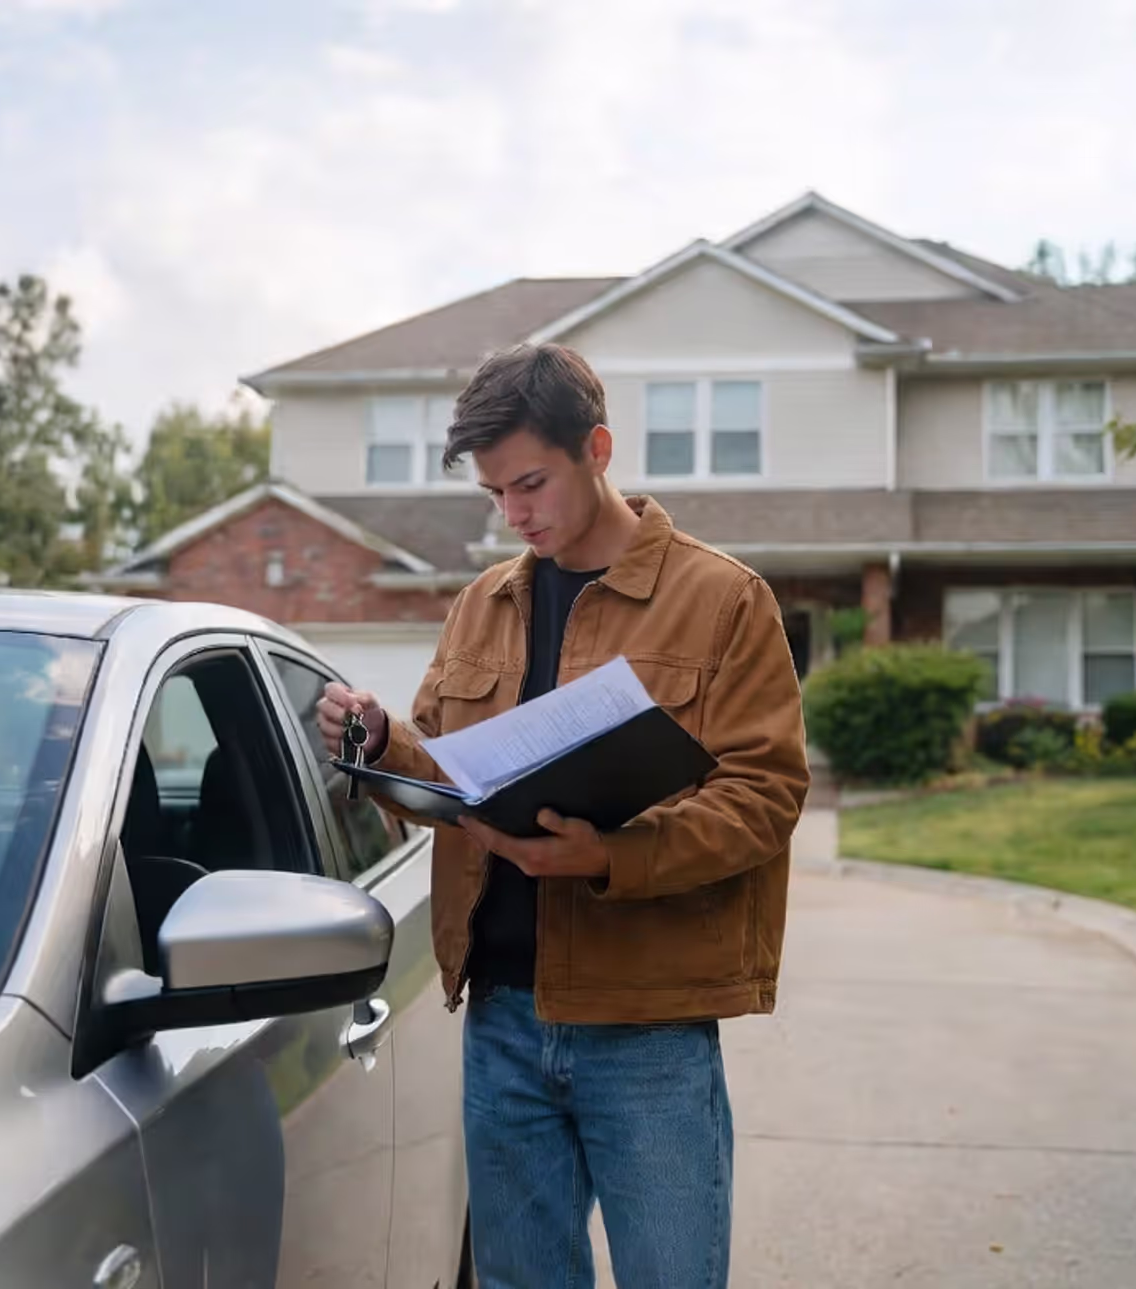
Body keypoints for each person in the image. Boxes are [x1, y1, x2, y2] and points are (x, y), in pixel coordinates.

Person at [316, 342, 809, 1288]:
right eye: (496, 493)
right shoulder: (480, 605)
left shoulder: (723, 601)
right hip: (500, 1016)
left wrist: (610, 855)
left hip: (647, 1026)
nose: (515, 514)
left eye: (531, 483)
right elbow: (455, 771)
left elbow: (766, 795)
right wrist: (383, 743)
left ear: (600, 448)